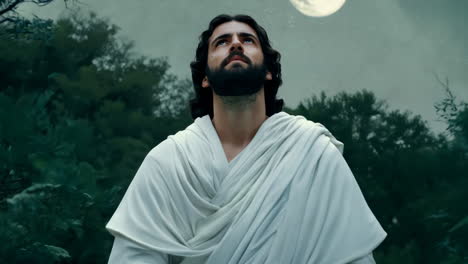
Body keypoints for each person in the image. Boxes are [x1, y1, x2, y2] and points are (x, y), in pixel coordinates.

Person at [105, 14, 387, 264]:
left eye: (248, 40)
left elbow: (351, 256)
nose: (236, 44)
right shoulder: (168, 161)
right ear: (204, 77)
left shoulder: (313, 154)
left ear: (267, 71)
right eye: (222, 42)